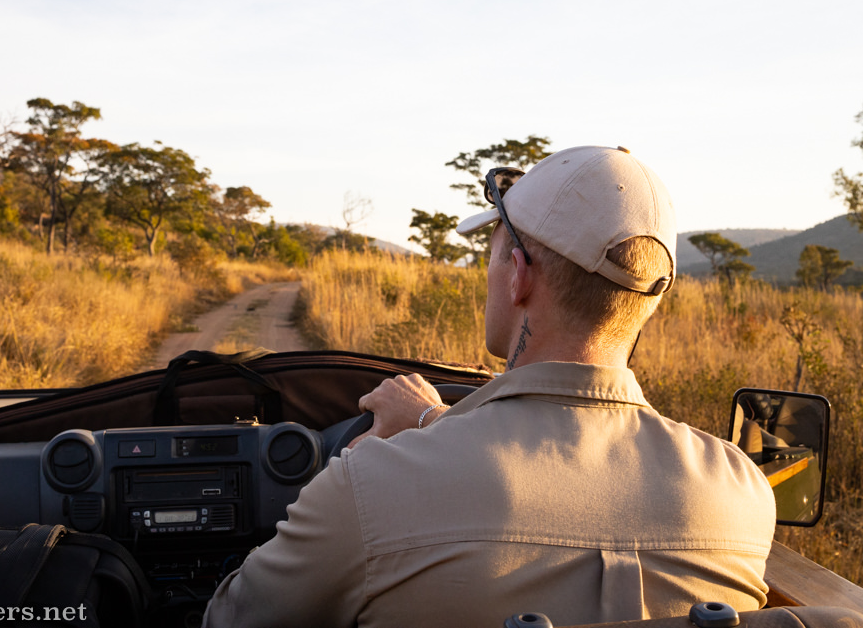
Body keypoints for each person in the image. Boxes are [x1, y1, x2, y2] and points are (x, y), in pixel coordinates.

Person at [201, 145, 776, 628]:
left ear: (520, 275)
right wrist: (433, 423)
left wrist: (377, 458)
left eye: (495, 255)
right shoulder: (743, 496)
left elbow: (229, 617)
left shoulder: (370, 487)